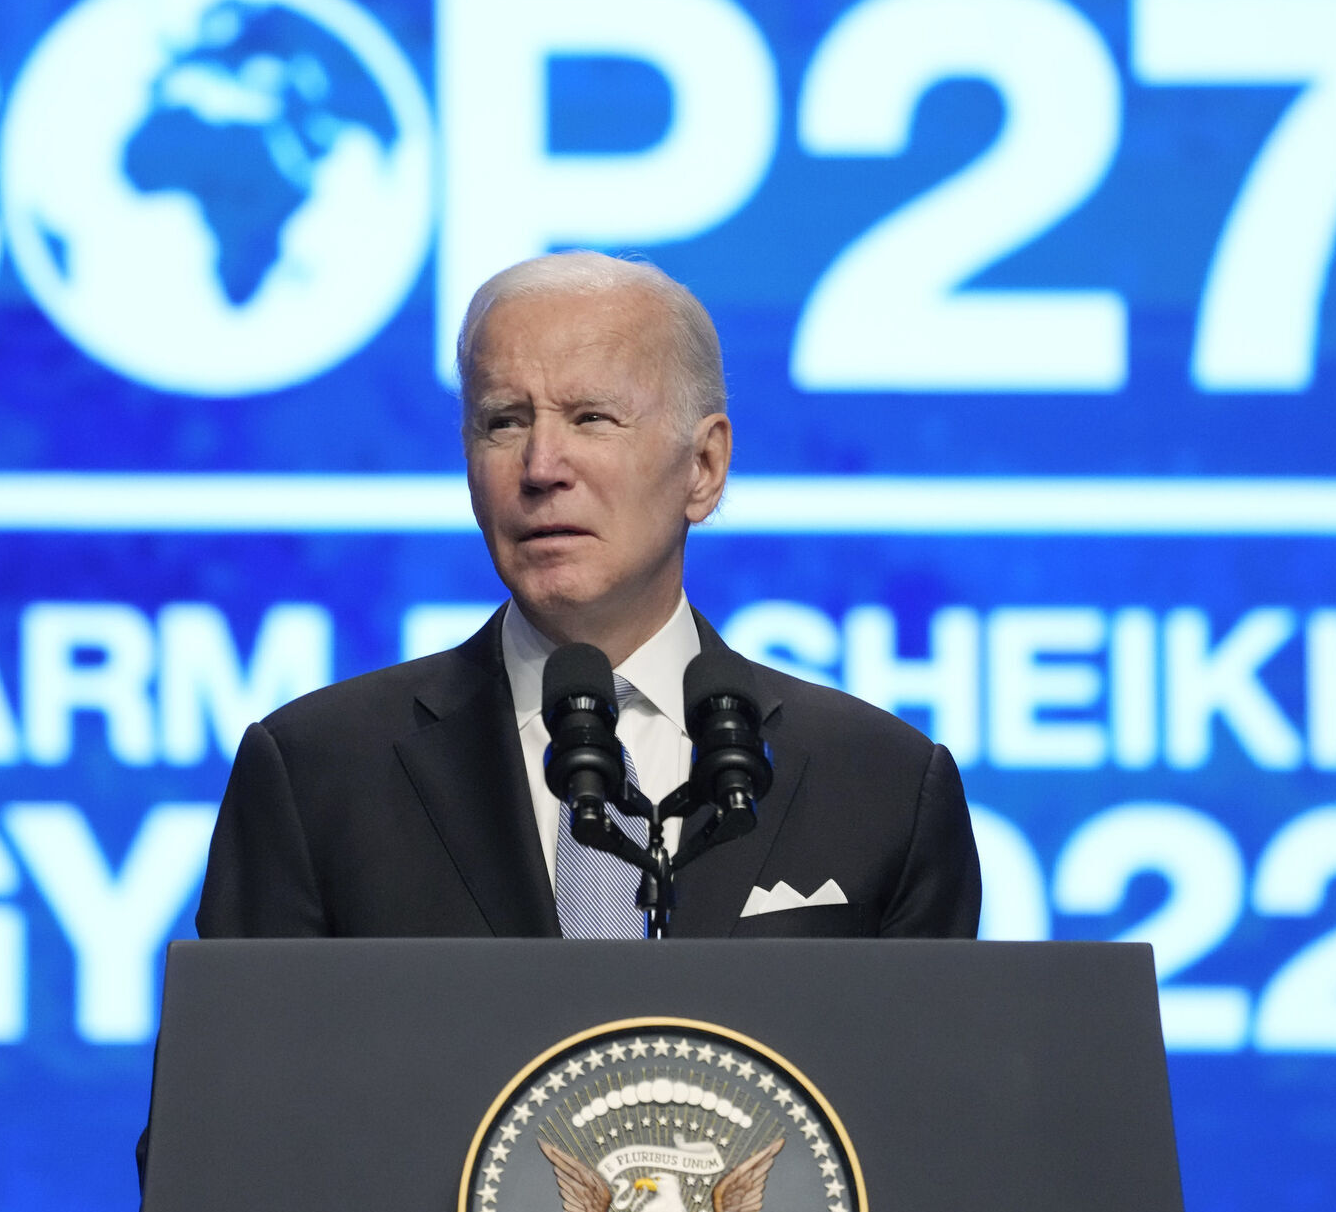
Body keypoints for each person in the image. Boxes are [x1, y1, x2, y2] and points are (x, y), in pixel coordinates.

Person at [192, 251, 981, 941]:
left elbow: (934, 1070)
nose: (541, 467)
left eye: (591, 418)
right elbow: (238, 1071)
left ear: (704, 467)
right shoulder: (317, 775)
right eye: (504, 422)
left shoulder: (881, 786)